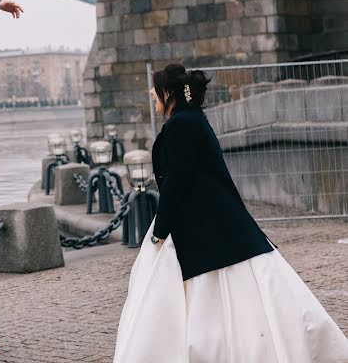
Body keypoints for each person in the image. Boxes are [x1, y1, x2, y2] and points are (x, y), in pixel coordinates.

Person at [113, 63, 348, 363]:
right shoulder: (194, 119)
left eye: (155, 90)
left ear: (169, 94)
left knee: (201, 297)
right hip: (218, 224)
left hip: (202, 226)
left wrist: (161, 228)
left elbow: (178, 181)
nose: (151, 95)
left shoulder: (182, 124)